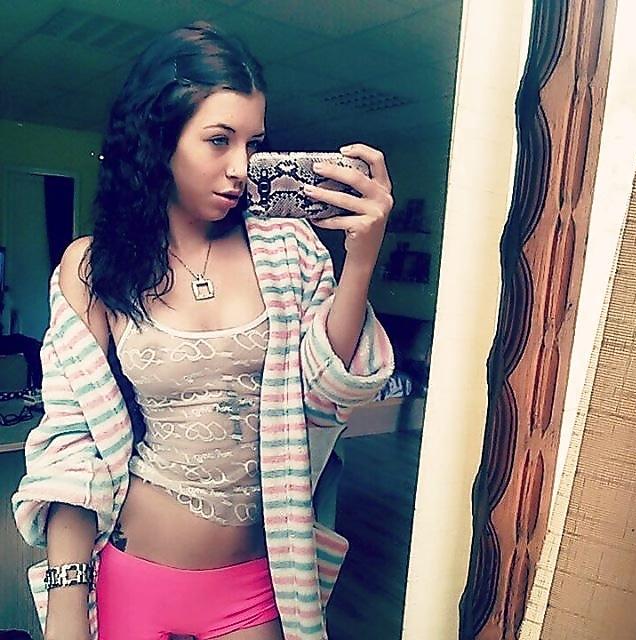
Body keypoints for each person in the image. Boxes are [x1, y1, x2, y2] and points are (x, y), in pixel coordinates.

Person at [12, 21, 395, 640]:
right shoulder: (94, 267)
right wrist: (65, 613)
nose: (240, 167)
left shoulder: (288, 250)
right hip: (133, 574)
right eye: (218, 140)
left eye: (253, 143)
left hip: (255, 584)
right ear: (160, 138)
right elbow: (71, 443)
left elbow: (328, 397)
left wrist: (361, 260)